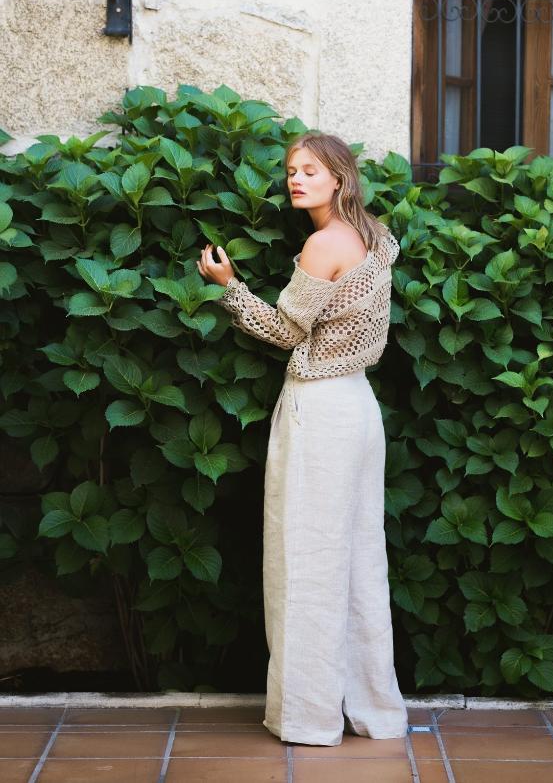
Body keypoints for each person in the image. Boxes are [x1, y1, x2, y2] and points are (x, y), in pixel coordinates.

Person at [196, 130, 408, 747]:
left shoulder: (324, 244)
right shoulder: (375, 236)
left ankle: (310, 718)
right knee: (361, 563)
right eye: (292, 169)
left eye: (311, 170)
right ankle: (375, 711)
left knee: (307, 562)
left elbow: (287, 330)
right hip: (360, 409)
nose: (297, 179)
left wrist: (228, 284)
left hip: (321, 409)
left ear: (339, 178)